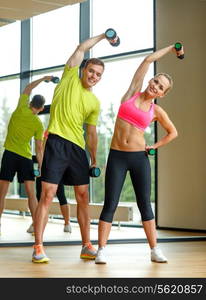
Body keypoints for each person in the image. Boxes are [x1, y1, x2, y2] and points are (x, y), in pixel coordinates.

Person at [95, 44, 183, 264]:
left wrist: (154, 146)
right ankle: (101, 250)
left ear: (162, 93)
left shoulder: (157, 111)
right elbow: (147, 60)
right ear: (150, 81)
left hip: (138, 159)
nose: (155, 86)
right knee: (110, 203)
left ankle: (154, 249)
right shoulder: (132, 93)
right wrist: (172, 48)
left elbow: (173, 133)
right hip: (117, 156)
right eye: (155, 81)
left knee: (144, 203)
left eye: (160, 87)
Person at [32, 32, 110, 263]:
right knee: (47, 195)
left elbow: (92, 133)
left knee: (83, 196)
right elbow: (81, 47)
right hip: (56, 142)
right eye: (91, 71)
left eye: (98, 75)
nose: (94, 76)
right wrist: (104, 36)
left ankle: (86, 245)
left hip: (78, 149)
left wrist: (94, 158)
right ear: (83, 69)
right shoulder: (68, 77)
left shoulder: (94, 102)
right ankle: (38, 246)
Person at [0, 76, 53, 235]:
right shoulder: (38, 124)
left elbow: (29, 87)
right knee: (31, 194)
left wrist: (44, 78)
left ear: (30, 102)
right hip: (25, 158)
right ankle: (37, 225)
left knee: (2, 192)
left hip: (10, 155)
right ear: (42, 108)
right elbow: (39, 149)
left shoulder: (21, 107)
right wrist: (42, 168)